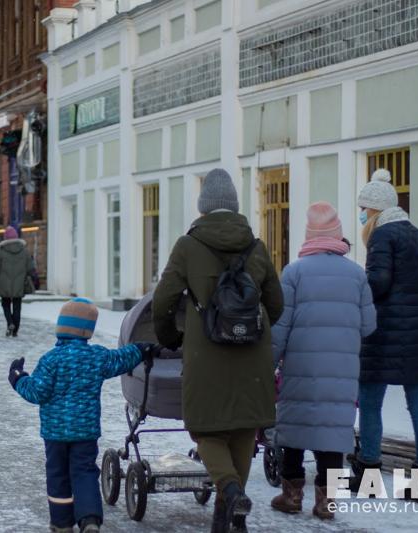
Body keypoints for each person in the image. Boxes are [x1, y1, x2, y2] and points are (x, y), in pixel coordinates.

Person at [152, 168, 283, 533]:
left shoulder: (188, 245)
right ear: (235, 206)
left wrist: (170, 336)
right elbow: (276, 304)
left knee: (206, 430)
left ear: (203, 207)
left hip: (204, 353)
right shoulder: (256, 246)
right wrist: (250, 328)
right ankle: (230, 517)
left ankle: (228, 488)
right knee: (242, 428)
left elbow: (163, 300)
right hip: (252, 355)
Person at [8, 298, 159, 533]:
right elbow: (120, 359)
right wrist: (141, 349)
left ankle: (61, 524)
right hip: (85, 433)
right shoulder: (96, 357)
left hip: (55, 434)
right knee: (84, 472)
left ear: (61, 327)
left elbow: (37, 391)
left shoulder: (50, 360)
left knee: (58, 476)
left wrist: (18, 377)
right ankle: (89, 520)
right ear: (87, 331)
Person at [269, 202, 377, 520]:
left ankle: (291, 495)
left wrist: (269, 361)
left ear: (308, 236)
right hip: (342, 370)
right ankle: (327, 501)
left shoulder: (294, 272)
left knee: (295, 428)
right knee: (332, 430)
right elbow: (369, 325)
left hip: (301, 367)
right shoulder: (357, 274)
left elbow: (280, 327)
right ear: (337, 235)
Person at [350, 169, 418, 502]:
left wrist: (359, 286)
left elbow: (379, 283)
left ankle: (368, 472)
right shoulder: (416, 234)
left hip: (385, 330)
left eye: (363, 208)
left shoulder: (382, 236)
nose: (361, 214)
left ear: (374, 209)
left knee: (371, 403)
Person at [0, 225, 33, 337]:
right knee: (17, 306)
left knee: (5, 304)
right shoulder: (24, 251)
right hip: (19, 283)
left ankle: (10, 323)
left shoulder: (1, 251)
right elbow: (30, 267)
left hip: (4, 283)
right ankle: (15, 330)